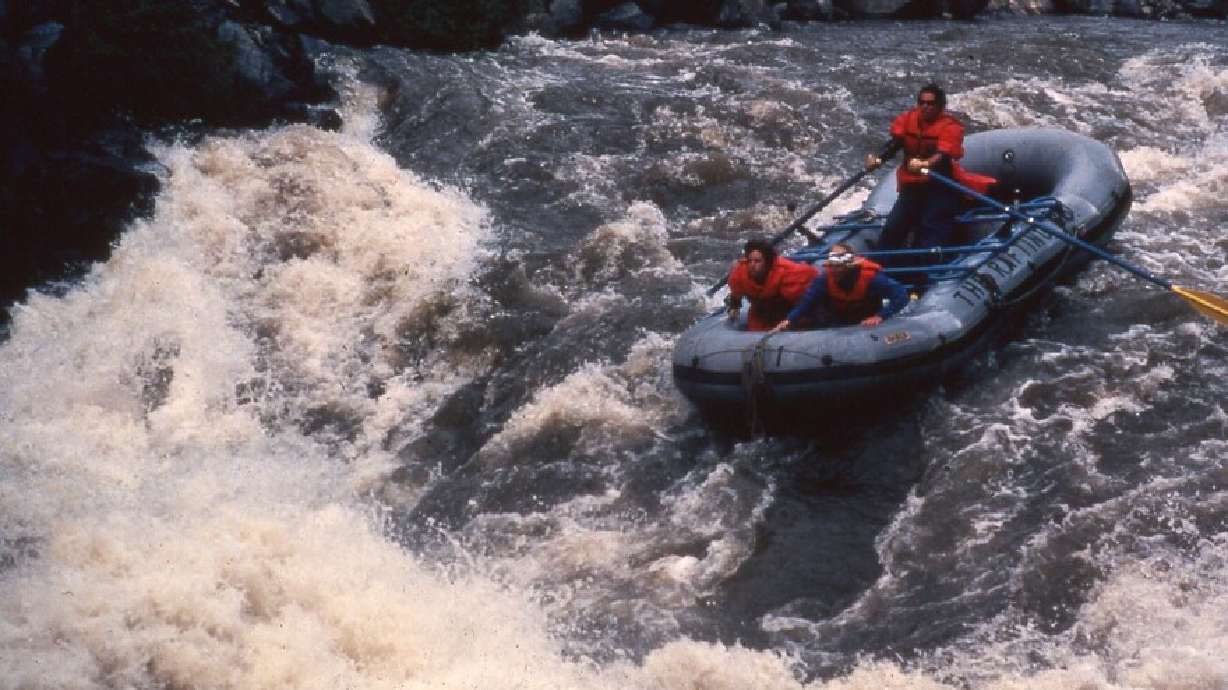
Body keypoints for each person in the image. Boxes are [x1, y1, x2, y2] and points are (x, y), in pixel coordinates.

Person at [769, 243, 909, 331]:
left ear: (848, 267)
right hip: (840, 321)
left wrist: (880, 316)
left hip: (868, 320)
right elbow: (806, 303)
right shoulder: (824, 279)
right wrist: (789, 320)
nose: (834, 271)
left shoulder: (872, 278)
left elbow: (901, 295)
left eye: (838, 267)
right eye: (832, 267)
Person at [726, 238, 819, 331]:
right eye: (750, 261)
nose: (752, 265)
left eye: (757, 261)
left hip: (788, 312)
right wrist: (735, 306)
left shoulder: (787, 273)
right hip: (761, 315)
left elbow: (805, 300)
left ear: (768, 263)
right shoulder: (740, 272)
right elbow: (736, 293)